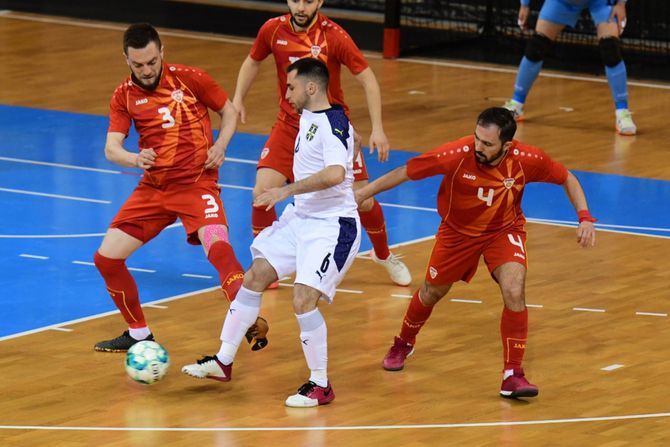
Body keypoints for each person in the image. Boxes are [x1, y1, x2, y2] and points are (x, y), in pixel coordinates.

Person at [356, 107, 597, 399]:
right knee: (432, 292)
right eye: (477, 139)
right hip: (457, 234)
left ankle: (512, 374)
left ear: (506, 146)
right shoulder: (456, 154)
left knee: (514, 290)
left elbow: (566, 177)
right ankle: (403, 342)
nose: (478, 147)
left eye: (487, 143)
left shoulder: (527, 160)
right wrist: (362, 194)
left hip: (503, 231)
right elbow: (405, 172)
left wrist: (584, 217)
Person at [182, 58, 361, 408]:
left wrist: (286, 190)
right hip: (302, 218)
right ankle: (223, 361)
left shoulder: (332, 121)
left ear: (312, 88)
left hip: (332, 226)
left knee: (302, 300)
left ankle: (321, 385)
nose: (286, 93)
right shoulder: (309, 117)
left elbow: (337, 173)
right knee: (254, 277)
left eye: (291, 87)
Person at [93, 23, 268, 353]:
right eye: (138, 65)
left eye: (152, 62)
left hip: (196, 184)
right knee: (106, 260)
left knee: (218, 247)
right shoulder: (123, 96)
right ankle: (139, 333)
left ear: (162, 52)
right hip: (154, 189)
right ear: (126, 60)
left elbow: (228, 111)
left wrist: (222, 145)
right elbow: (111, 148)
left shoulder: (191, 78)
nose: (146, 70)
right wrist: (134, 158)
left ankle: (245, 318)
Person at [232, 0, 411, 287]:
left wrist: (378, 128)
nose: (301, 7)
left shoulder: (334, 36)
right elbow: (252, 60)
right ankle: (266, 264)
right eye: (296, 0)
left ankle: (383, 254)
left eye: (309, 1)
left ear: (320, 2)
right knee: (261, 192)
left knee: (362, 199)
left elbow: (368, 80)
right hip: (289, 126)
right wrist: (238, 97)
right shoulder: (272, 29)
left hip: (331, 127)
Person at [503, 0, 637, 135]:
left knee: (610, 49)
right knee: (537, 47)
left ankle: (622, 112)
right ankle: (516, 104)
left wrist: (620, 4)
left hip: (601, 2)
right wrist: (524, 5)